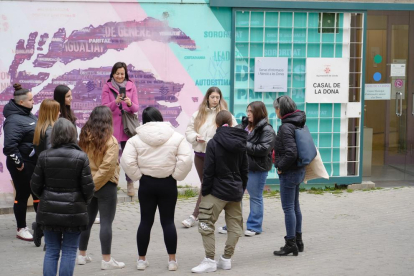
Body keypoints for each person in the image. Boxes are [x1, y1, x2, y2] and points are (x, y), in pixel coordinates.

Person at [120, 107, 192, 271]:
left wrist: (138, 176)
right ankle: (172, 261)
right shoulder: (176, 137)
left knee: (145, 221)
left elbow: (126, 161)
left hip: (146, 184)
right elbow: (186, 160)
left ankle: (141, 260)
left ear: (143, 120)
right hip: (168, 183)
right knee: (168, 221)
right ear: (160, 118)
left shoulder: (135, 140)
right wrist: (176, 175)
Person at [30, 118, 94, 276]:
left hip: (49, 211)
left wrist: (45, 197)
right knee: (70, 251)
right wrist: (83, 202)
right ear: (72, 134)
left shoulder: (44, 156)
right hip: (74, 212)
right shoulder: (81, 157)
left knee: (51, 251)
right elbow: (88, 188)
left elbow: (35, 186)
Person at [191, 110, 248, 273]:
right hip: (235, 191)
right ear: (230, 123)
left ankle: (209, 260)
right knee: (235, 226)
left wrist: (206, 192)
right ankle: (226, 259)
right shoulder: (241, 141)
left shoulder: (214, 142)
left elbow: (208, 171)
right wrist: (241, 188)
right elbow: (245, 169)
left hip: (216, 190)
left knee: (205, 222)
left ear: (216, 124)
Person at [77, 106, 125, 270]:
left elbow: (80, 162)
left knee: (87, 221)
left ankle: (81, 256)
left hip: (88, 184)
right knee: (106, 223)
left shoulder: (83, 137)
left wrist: (88, 186)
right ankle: (106, 260)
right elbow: (107, 169)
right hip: (106, 186)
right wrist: (94, 185)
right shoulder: (110, 141)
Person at [182, 87, 236, 228]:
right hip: (199, 156)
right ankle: (207, 215)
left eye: (217, 97)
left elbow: (234, 130)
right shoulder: (198, 114)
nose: (215, 100)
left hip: (216, 157)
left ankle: (195, 216)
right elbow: (189, 131)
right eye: (212, 97)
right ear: (207, 98)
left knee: (206, 185)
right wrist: (196, 137)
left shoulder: (225, 114)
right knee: (208, 187)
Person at [229, 101, 276, 237]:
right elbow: (233, 136)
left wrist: (243, 143)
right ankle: (232, 224)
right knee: (235, 196)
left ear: (258, 113)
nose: (248, 113)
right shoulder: (245, 126)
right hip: (241, 166)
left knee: (255, 197)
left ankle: (254, 226)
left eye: (250, 111)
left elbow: (263, 149)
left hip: (257, 168)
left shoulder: (267, 130)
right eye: (247, 110)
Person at [3, 83, 39, 242]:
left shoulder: (29, 115)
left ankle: (44, 224)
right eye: (31, 100)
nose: (34, 102)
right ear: (21, 102)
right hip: (22, 164)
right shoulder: (13, 120)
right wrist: (19, 164)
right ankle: (21, 228)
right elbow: (10, 146)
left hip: (33, 162)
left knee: (37, 193)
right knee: (23, 194)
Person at [273, 96, 306, 256]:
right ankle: (299, 241)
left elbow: (291, 152)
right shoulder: (298, 122)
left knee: (288, 208)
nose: (275, 112)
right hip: (298, 170)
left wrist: (280, 166)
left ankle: (290, 243)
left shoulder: (286, 127)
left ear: (281, 109)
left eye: (276, 108)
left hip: (289, 172)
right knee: (295, 206)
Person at [102, 62, 139, 197]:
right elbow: (104, 107)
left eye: (122, 74)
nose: (119, 76)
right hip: (112, 127)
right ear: (113, 73)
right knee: (112, 157)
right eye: (117, 73)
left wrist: (129, 103)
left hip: (126, 128)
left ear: (125, 74)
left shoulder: (131, 86)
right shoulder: (107, 87)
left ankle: (130, 183)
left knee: (128, 157)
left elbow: (135, 108)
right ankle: (112, 184)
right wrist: (116, 101)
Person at [31, 99, 60, 247]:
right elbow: (51, 154)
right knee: (53, 206)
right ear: (52, 112)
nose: (60, 113)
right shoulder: (50, 130)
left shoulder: (40, 128)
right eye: (57, 110)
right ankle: (46, 234)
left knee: (47, 204)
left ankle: (40, 228)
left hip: (42, 171)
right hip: (51, 173)